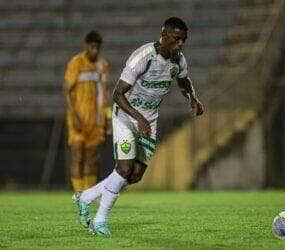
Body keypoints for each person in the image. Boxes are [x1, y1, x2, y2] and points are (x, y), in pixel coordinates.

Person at [74, 17, 204, 235]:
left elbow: (184, 80)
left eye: (184, 39)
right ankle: (99, 221)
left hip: (149, 120)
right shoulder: (144, 57)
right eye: (177, 38)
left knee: (134, 175)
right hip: (126, 116)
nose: (181, 44)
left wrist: (193, 97)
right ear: (164, 36)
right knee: (124, 168)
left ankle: (85, 197)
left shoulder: (178, 60)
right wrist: (139, 118)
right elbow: (117, 94)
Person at [64, 31, 111, 192]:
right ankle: (78, 195)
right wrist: (75, 117)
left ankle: (88, 194)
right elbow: (67, 91)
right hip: (78, 119)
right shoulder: (76, 63)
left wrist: (108, 119)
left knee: (92, 159)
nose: (95, 51)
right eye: (92, 47)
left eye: (97, 48)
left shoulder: (102, 65)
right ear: (86, 46)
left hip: (96, 121)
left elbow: (105, 95)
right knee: (78, 156)